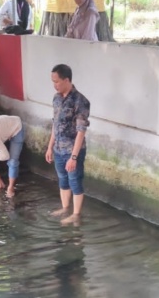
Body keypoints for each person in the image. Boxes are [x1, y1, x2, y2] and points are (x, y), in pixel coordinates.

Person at [46, 64, 91, 225]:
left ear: (67, 80)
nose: (54, 85)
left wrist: (73, 157)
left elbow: (81, 131)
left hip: (73, 150)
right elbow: (55, 123)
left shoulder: (80, 101)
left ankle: (76, 214)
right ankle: (65, 208)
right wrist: (50, 146)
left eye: (57, 81)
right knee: (62, 179)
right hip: (58, 149)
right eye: (53, 81)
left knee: (75, 180)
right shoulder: (56, 98)